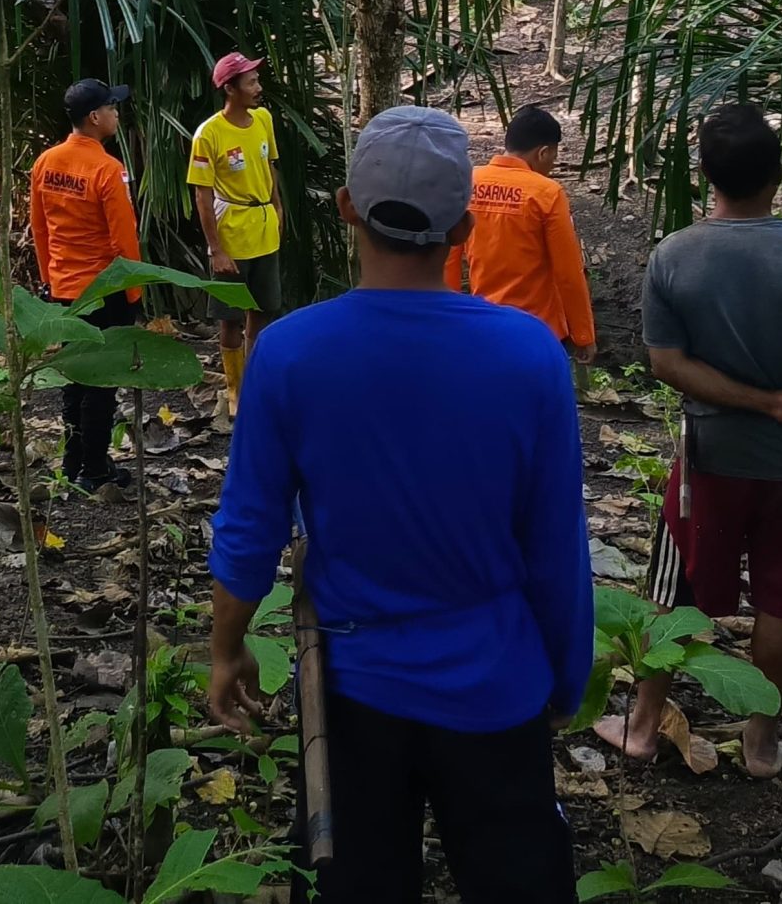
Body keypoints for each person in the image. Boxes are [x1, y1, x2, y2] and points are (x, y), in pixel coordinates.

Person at [208, 106, 589, 904]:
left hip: (353, 693)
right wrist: (566, 678)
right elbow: (556, 548)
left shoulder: (289, 352)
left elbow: (250, 528)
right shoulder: (530, 357)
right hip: (495, 685)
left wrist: (228, 647)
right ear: (461, 230)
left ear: (347, 208)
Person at [596, 102, 782, 778]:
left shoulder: (674, 256)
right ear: (778, 175)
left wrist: (755, 402)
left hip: (708, 459)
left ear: (706, 175)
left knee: (676, 592)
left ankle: (643, 725)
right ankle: (762, 740)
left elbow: (666, 362)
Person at [29, 77, 146, 493]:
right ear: (95, 117)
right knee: (100, 379)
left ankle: (74, 458)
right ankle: (94, 467)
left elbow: (39, 229)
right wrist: (134, 289)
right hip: (103, 289)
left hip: (63, 286)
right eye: (113, 108)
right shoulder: (107, 169)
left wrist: (48, 278)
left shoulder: (46, 162)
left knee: (74, 374)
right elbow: (124, 237)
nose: (117, 113)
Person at [445, 104, 597, 365]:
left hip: (485, 325)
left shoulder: (469, 182)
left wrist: (449, 318)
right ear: (543, 152)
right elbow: (569, 273)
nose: (551, 164)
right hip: (539, 330)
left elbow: (448, 258)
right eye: (553, 157)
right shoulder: (547, 193)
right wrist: (583, 334)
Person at [188, 51, 286, 416]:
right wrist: (216, 248)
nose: (258, 88)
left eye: (257, 81)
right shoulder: (209, 133)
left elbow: (270, 165)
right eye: (251, 82)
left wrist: (277, 207)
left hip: (263, 227)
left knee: (262, 310)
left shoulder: (263, 120)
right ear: (230, 89)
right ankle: (235, 390)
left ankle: (257, 381)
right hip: (231, 231)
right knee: (230, 316)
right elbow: (202, 192)